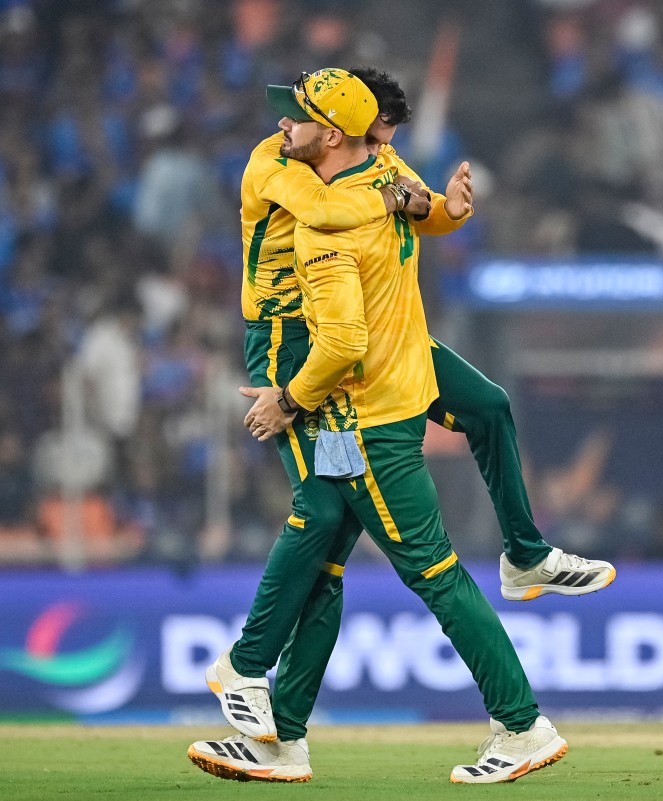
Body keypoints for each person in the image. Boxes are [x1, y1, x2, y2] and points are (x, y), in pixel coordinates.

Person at [188, 68, 570, 785]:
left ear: (333, 133)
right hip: (314, 364)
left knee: (353, 536)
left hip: (328, 382)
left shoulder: (358, 187)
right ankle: (265, 708)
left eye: (296, 117)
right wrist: (402, 197)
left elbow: (362, 244)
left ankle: (267, 704)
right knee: (328, 522)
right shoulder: (290, 170)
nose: (279, 126)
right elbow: (332, 204)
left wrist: (432, 206)